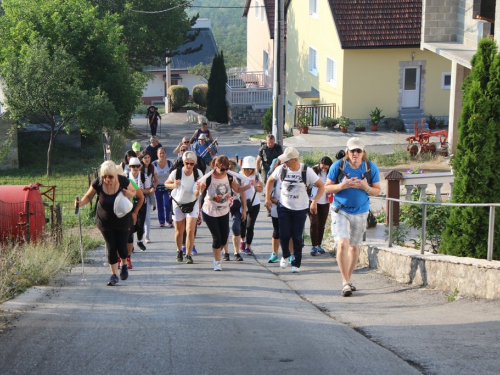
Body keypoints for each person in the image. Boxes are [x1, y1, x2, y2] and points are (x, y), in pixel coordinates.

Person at [325, 137, 381, 297]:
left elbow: (378, 190)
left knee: (354, 247)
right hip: (340, 210)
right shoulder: (338, 166)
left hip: (361, 211)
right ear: (347, 152)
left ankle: (348, 279)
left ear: (363, 152)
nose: (355, 153)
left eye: (358, 151)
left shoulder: (370, 168)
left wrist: (366, 187)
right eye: (352, 151)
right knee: (343, 244)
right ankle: (345, 282)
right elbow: (327, 187)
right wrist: (342, 186)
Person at [75, 160, 137, 286]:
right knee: (111, 247)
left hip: (122, 221)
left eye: (110, 176)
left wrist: (128, 193)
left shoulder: (123, 180)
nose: (107, 179)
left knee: (122, 248)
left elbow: (134, 192)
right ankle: (114, 275)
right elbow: (88, 197)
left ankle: (124, 264)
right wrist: (80, 203)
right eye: (104, 176)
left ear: (115, 174)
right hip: (105, 222)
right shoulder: (98, 183)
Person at [265, 147, 324, 273]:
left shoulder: (306, 171)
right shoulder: (282, 169)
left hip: (300, 209)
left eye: (287, 160)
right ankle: (285, 255)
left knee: (297, 237)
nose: (284, 162)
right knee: (284, 235)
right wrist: (267, 199)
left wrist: (314, 201)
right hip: (284, 207)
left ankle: (296, 263)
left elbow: (321, 186)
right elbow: (270, 180)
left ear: (295, 160)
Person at [197, 155, 248, 271]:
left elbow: (238, 190)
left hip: (224, 210)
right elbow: (199, 191)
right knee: (217, 238)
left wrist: (249, 186)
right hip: (210, 211)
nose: (225, 171)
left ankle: (216, 254)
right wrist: (198, 187)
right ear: (215, 166)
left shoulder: (229, 176)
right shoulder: (208, 177)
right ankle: (217, 262)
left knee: (224, 239)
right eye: (222, 169)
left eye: (227, 169)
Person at [165, 151, 202, 264]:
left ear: (194, 164)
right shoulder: (177, 172)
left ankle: (188, 254)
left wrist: (198, 189)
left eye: (191, 163)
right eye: (187, 163)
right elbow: (166, 183)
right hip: (178, 203)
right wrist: (174, 185)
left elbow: (197, 192)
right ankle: (179, 250)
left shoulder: (198, 173)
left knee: (190, 230)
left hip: (192, 203)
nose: (189, 166)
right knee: (179, 231)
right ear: (183, 163)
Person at [266, 158, 294, 263]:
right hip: (277, 207)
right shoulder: (274, 180)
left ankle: (291, 254)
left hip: (290, 207)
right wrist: (275, 201)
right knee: (277, 232)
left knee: (290, 232)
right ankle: (274, 253)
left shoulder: (292, 176)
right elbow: (268, 195)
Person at [221, 159, 247, 261]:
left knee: (236, 227)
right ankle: (226, 253)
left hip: (235, 204)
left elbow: (242, 193)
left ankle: (236, 253)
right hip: (224, 204)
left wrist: (244, 209)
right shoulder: (222, 178)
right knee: (225, 230)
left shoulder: (238, 179)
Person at [309, 156, 334, 256]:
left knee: (321, 224)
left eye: (326, 168)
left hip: (325, 201)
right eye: (322, 167)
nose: (324, 169)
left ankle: (319, 244)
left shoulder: (331, 171)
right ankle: (313, 246)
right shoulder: (313, 170)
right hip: (313, 200)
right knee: (314, 223)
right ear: (319, 164)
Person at [239, 156, 263, 255]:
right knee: (242, 225)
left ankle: (248, 246)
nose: (249, 170)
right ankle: (242, 241)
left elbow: (261, 189)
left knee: (250, 226)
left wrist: (256, 186)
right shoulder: (239, 176)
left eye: (251, 168)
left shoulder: (256, 175)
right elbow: (237, 190)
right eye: (247, 169)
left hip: (254, 203)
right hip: (242, 203)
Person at [126, 157, 148, 254]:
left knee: (140, 223)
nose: (135, 169)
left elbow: (148, 189)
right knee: (130, 224)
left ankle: (139, 241)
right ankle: (131, 244)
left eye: (137, 166)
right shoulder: (126, 177)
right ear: (130, 167)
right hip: (129, 202)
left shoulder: (143, 176)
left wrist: (139, 191)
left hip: (141, 201)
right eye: (133, 166)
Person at [152, 147, 173, 227]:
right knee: (160, 204)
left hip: (167, 187)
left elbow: (173, 175)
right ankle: (161, 221)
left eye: (163, 153)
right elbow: (151, 176)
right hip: (158, 186)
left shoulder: (169, 164)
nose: (162, 155)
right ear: (157, 154)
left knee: (167, 204)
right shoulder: (154, 164)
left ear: (165, 154)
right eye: (160, 153)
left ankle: (169, 220)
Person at [140, 151, 158, 243]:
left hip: (148, 193)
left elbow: (156, 180)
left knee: (147, 216)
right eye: (145, 157)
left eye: (148, 157)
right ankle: (140, 235)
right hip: (139, 193)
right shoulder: (138, 168)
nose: (147, 159)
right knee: (139, 216)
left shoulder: (153, 167)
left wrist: (154, 187)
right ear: (142, 159)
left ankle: (147, 236)